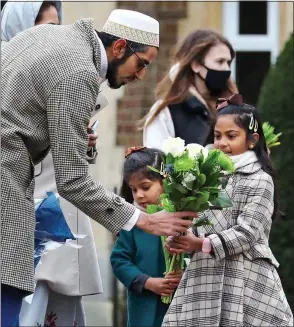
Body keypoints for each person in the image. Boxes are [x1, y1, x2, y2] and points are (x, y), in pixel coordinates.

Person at [1, 8, 194, 326]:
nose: (140, 76)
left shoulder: (50, 36)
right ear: (119, 48)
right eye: (141, 63)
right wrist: (140, 220)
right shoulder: (79, 73)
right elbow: (72, 179)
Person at [1, 2, 105, 325]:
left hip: (62, 199)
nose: (51, 35)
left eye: (56, 26)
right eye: (42, 26)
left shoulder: (71, 69)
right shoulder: (9, 70)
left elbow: (77, 157)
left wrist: (83, 143)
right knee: (27, 299)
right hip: (22, 200)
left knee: (62, 301)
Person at [162, 94, 293, 326]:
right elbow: (197, 220)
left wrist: (201, 244)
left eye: (231, 136)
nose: (222, 142)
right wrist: (181, 237)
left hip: (245, 276)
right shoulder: (206, 176)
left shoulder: (261, 179)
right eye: (218, 135)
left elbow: (248, 233)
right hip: (204, 275)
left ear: (252, 140)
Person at [111, 147, 183, 327]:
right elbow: (119, 260)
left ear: (165, 180)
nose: (139, 195)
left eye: (145, 187)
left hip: (181, 303)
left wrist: (184, 274)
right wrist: (148, 282)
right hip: (145, 305)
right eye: (133, 189)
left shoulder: (181, 218)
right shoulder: (134, 221)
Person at [142, 29, 238, 149]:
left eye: (228, 62)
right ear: (196, 65)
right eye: (220, 61)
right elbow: (154, 163)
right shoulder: (166, 112)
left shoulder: (233, 110)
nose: (226, 68)